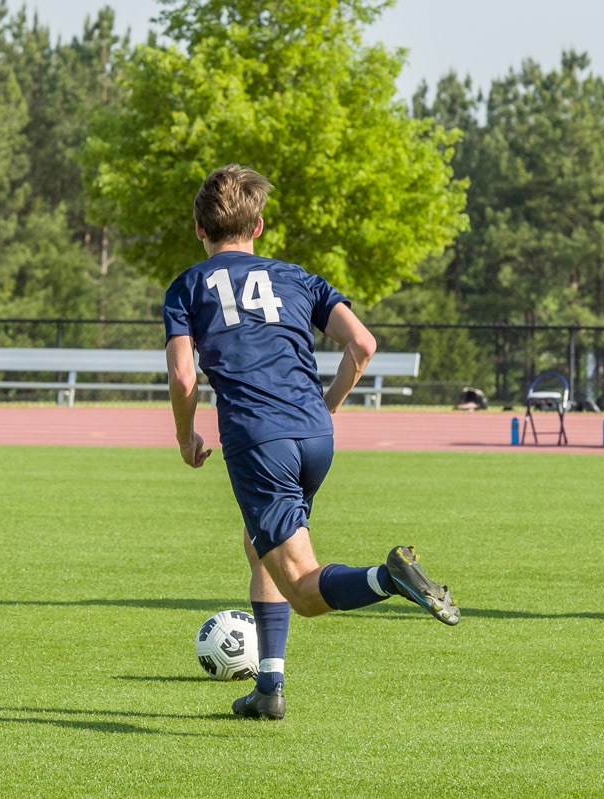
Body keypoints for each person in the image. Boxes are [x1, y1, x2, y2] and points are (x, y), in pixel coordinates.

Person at [164, 165, 459, 720]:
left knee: (302, 587)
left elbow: (183, 379)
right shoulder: (297, 276)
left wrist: (186, 437)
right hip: (314, 435)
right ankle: (268, 687)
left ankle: (387, 577)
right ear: (259, 226)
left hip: (257, 438)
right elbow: (363, 344)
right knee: (261, 547)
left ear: (198, 229)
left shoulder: (187, 286)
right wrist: (325, 409)